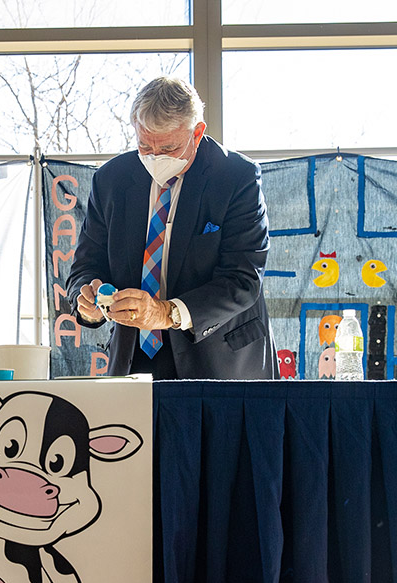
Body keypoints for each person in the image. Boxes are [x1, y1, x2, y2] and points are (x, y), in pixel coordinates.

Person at [66, 76, 278, 380]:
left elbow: (243, 279)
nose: (155, 158)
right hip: (133, 359)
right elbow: (85, 265)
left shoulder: (235, 178)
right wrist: (85, 299)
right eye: (144, 145)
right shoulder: (111, 179)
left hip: (219, 359)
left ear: (197, 132)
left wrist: (166, 313)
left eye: (168, 147)